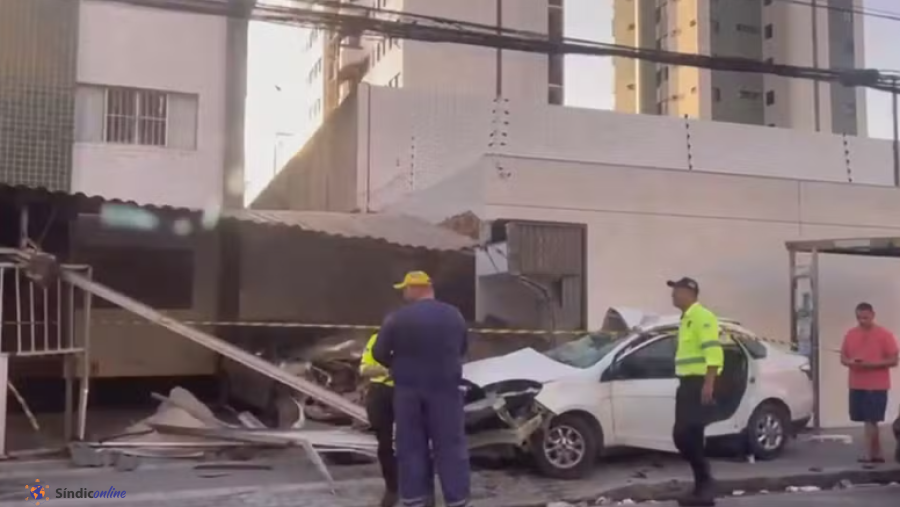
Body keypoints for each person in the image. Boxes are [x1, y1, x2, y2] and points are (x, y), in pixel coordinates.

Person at [372, 271, 470, 507]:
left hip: (409, 392)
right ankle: (457, 500)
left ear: (416, 289)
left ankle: (416, 500)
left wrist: (399, 366)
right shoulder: (454, 315)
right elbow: (463, 348)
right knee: (450, 447)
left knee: (411, 448)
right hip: (445, 391)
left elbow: (379, 353)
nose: (403, 293)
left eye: (405, 289)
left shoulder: (397, 318)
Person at [667, 277, 723, 507]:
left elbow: (713, 352)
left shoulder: (703, 317)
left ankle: (706, 480)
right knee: (691, 437)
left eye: (676, 291)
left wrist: (709, 384)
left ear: (689, 293)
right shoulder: (686, 319)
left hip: (699, 383)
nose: (672, 295)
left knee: (682, 434)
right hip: (687, 383)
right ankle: (702, 490)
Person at [840, 302, 898, 464]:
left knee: (871, 418)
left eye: (865, 317)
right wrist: (851, 362)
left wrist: (871, 365)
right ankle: (877, 452)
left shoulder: (884, 335)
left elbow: (894, 360)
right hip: (856, 383)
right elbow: (843, 357)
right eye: (859, 318)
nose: (862, 321)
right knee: (868, 419)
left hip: (877, 384)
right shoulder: (850, 334)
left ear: (873, 315)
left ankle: (867, 452)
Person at [360, 332, 399, 507]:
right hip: (381, 391)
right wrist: (389, 370)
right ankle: (392, 488)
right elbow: (364, 369)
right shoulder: (378, 338)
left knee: (415, 441)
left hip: (408, 390)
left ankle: (419, 488)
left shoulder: (416, 336)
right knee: (384, 444)